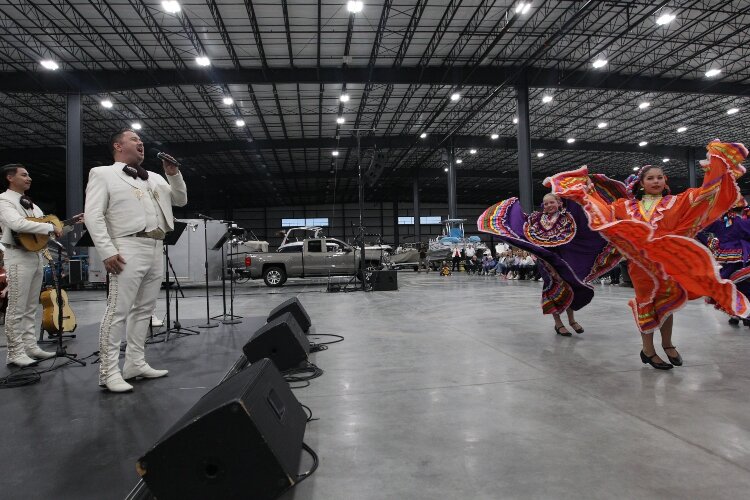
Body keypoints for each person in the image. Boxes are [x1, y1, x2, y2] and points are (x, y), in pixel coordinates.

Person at [546, 140, 749, 369]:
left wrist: (717, 167)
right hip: (640, 266)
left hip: (667, 263)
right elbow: (603, 212)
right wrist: (584, 191)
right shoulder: (624, 207)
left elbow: (705, 195)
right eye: (650, 178)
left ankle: (668, 343)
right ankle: (648, 349)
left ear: (665, 182)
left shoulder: (676, 201)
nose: (656, 181)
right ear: (641, 183)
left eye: (660, 177)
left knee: (668, 303)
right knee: (647, 304)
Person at [85, 128, 187, 392]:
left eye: (141, 140)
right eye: (134, 140)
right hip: (126, 245)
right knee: (118, 310)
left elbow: (180, 199)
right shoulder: (103, 174)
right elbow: (93, 216)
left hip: (155, 245)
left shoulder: (153, 177)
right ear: (118, 146)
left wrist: (173, 174)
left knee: (145, 310)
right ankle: (108, 372)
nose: (140, 143)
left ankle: (135, 363)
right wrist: (107, 251)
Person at [478, 188, 623, 337]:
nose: (549, 205)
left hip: (564, 259)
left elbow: (583, 220)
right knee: (553, 289)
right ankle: (558, 323)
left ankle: (572, 320)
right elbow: (524, 230)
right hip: (546, 261)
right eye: (546, 203)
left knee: (570, 285)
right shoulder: (536, 219)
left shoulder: (567, 217)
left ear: (559, 203)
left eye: (552, 202)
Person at [0, 164, 83, 366]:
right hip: (18, 255)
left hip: (35, 255)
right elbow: (18, 224)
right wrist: (49, 226)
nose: (29, 178)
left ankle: (30, 346)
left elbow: (45, 227)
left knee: (30, 307)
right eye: (24, 175)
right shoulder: (4, 200)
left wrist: (70, 222)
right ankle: (14, 352)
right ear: (10, 177)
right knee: (17, 307)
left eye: (29, 174)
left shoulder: (32, 205)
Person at [697, 205, 750, 325]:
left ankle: (737, 314)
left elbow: (700, 229)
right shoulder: (741, 222)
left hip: (726, 255)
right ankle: (743, 314)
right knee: (741, 284)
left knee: (728, 284)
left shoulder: (720, 221)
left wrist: (710, 243)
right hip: (742, 255)